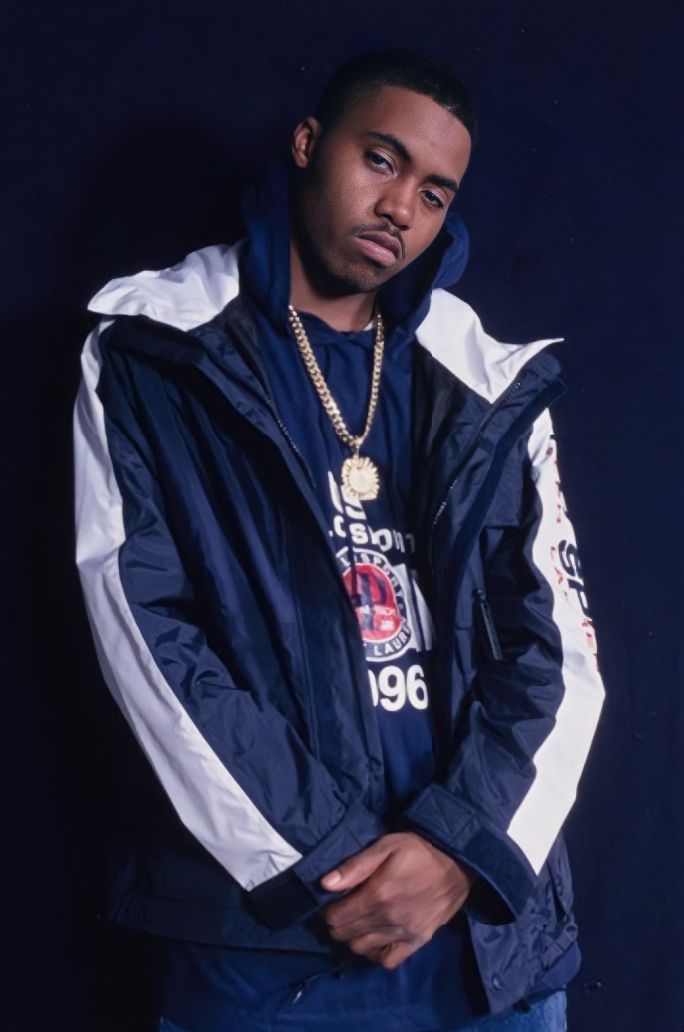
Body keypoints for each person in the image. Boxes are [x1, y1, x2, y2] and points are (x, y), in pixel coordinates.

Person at [73, 49, 605, 1032]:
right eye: (382, 160)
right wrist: (336, 858)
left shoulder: (490, 382)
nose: (401, 207)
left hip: (486, 953)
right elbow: (145, 637)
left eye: (436, 192)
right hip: (267, 949)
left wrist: (456, 851)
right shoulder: (155, 352)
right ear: (311, 145)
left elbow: (559, 658)